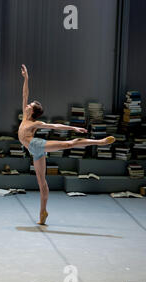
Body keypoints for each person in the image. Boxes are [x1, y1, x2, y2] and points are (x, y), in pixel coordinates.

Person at [18, 64, 115, 225]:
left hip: (37, 145)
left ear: (33, 112)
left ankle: (100, 141)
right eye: (28, 105)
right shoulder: (24, 117)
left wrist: (73, 127)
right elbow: (24, 94)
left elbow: (55, 126)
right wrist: (27, 78)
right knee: (42, 182)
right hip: (34, 152)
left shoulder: (35, 123)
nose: (27, 105)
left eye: (30, 106)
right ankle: (43, 212)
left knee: (67, 144)